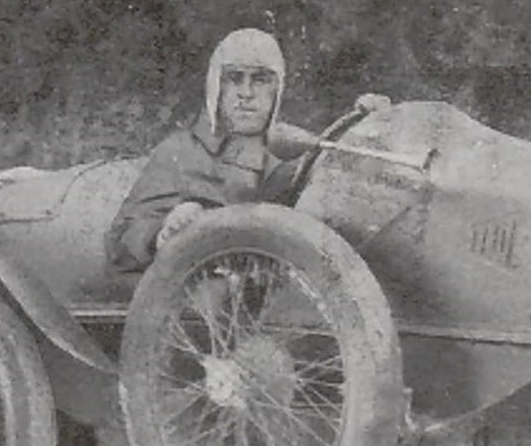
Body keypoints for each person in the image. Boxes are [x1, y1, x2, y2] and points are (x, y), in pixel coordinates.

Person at [105, 28, 390, 271]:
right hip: (204, 314)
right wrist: (165, 229)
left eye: (260, 80)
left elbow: (339, 198)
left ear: (277, 89)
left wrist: (368, 128)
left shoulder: (293, 150)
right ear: (216, 87)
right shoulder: (182, 152)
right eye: (234, 78)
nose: (246, 93)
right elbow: (120, 241)